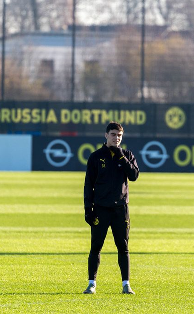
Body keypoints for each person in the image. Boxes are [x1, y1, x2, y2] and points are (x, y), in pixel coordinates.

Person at [83, 121, 140, 295]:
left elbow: (134, 175)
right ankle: (92, 283)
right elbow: (88, 185)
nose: (117, 138)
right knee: (96, 246)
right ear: (106, 135)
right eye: (114, 134)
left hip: (120, 209)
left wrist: (122, 157)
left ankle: (126, 284)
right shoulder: (96, 157)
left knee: (123, 247)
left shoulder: (127, 155)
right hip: (101, 208)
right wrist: (88, 209)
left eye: (120, 135)